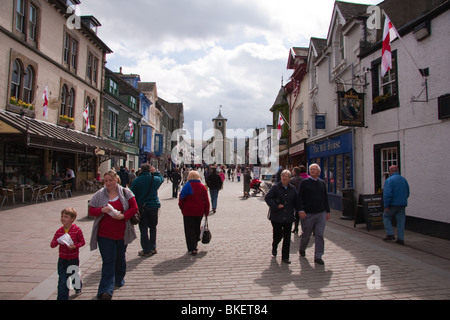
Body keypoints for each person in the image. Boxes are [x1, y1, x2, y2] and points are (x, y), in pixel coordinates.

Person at [88, 169, 138, 300]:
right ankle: (105, 290)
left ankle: (119, 278)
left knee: (120, 259)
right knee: (108, 261)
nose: (108, 183)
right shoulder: (99, 194)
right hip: (104, 234)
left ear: (116, 180)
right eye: (106, 181)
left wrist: (123, 216)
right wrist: (101, 210)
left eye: (110, 180)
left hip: (122, 233)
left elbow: (134, 208)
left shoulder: (126, 192)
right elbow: (91, 210)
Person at [297, 163, 330, 265]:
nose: (312, 171)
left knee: (319, 234)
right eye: (311, 169)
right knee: (306, 234)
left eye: (314, 169)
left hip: (321, 213)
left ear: (319, 172)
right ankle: (302, 248)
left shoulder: (322, 183)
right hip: (308, 214)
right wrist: (300, 210)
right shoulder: (304, 183)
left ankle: (318, 256)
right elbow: (299, 197)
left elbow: (325, 198)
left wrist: (327, 211)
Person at [50, 207, 85, 300]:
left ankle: (77, 287)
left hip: (73, 259)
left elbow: (82, 242)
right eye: (62, 216)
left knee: (74, 276)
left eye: (66, 216)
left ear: (72, 219)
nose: (63, 218)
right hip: (62, 260)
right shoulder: (59, 231)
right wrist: (58, 241)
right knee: (62, 280)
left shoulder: (77, 230)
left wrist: (75, 246)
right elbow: (52, 245)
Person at [130, 163, 164, 257]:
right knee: (153, 228)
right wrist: (155, 172)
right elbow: (162, 178)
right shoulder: (155, 179)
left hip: (142, 207)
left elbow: (131, 193)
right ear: (150, 170)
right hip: (153, 206)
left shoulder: (137, 180)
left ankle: (146, 250)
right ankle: (153, 247)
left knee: (143, 228)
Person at [265, 170, 298, 264]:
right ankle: (274, 245)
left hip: (288, 216)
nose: (284, 178)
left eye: (287, 176)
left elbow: (296, 201)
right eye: (283, 176)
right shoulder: (275, 187)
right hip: (276, 216)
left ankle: (285, 257)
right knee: (278, 235)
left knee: (287, 237)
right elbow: (268, 198)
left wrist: (300, 210)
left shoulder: (293, 189)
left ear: (290, 178)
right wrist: (275, 205)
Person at [178, 171, 210, 255]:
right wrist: (206, 212)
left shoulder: (186, 186)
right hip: (199, 211)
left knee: (189, 229)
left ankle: (192, 247)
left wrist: (182, 208)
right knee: (196, 227)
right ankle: (195, 244)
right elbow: (206, 201)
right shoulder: (202, 187)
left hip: (188, 211)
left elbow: (181, 199)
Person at [382, 165, 410, 245]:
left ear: (390, 171)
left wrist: (386, 205)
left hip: (392, 204)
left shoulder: (389, 180)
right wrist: (403, 200)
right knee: (401, 221)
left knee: (386, 216)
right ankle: (401, 239)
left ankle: (390, 234)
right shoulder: (404, 180)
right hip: (402, 204)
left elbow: (387, 194)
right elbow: (407, 192)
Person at [290, 167, 303, 234]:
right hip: (301, 198)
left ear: (294, 172)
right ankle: (299, 229)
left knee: (294, 214)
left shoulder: (291, 180)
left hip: (294, 198)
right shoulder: (302, 179)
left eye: (292, 171)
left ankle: (295, 228)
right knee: (299, 214)